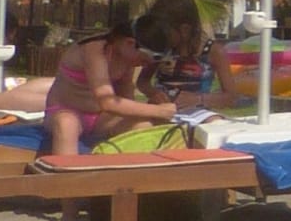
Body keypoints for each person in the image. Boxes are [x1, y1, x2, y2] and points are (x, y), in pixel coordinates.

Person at [40, 16, 183, 157]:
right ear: (129, 43)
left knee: (142, 126)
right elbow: (107, 101)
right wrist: (158, 111)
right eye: (144, 60)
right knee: (67, 125)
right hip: (65, 111)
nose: (143, 65)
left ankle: (126, 170)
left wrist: (151, 107)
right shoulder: (95, 49)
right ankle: (68, 171)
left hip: (99, 118)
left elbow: (126, 96)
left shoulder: (127, 59)